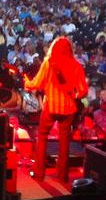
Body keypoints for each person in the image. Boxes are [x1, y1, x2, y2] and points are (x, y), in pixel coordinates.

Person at [24, 37, 89, 182]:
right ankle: (63, 175)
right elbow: (83, 91)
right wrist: (74, 94)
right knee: (64, 140)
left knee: (42, 136)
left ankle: (39, 173)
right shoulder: (77, 65)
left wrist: (27, 83)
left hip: (51, 107)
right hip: (68, 109)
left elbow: (36, 84)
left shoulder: (48, 63)